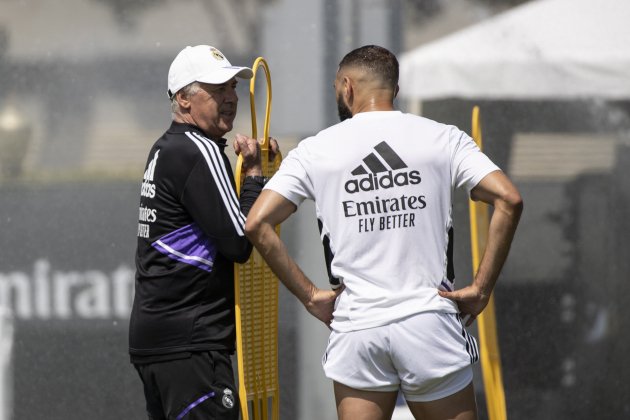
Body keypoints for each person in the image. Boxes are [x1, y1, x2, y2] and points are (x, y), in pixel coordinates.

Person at [245, 45, 523, 420]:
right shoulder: (442, 137)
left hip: (357, 327)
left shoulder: (315, 150)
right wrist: (481, 288)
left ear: (347, 87)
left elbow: (257, 224)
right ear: (394, 87)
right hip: (428, 321)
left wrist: (311, 296)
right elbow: (509, 199)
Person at [129, 45, 277, 420]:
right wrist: (257, 177)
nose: (231, 98)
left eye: (232, 87)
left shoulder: (166, 147)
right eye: (217, 89)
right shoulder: (199, 149)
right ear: (183, 99)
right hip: (191, 346)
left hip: (158, 342)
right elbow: (240, 242)